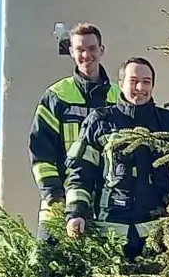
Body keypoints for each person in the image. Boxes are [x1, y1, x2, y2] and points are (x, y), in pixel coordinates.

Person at [62, 56, 169, 254]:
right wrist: (76, 212)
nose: (140, 87)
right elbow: (80, 174)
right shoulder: (99, 122)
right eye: (133, 81)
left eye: (146, 82)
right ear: (121, 84)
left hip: (159, 239)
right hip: (110, 238)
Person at [31, 22, 119, 224]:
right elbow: (41, 153)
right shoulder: (56, 96)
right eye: (80, 49)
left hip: (108, 208)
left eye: (92, 48)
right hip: (61, 206)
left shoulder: (119, 97)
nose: (86, 55)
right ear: (71, 52)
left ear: (102, 50)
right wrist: (55, 197)